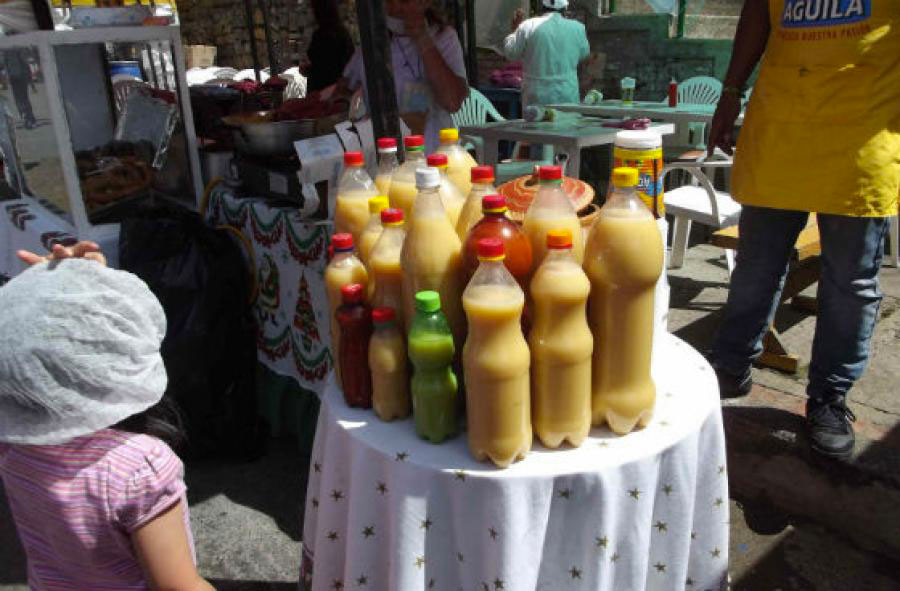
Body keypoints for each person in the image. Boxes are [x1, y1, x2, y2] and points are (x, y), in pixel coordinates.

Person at [706, 0, 899, 459]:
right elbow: (758, 10)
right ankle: (731, 366)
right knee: (757, 263)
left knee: (850, 281)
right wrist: (731, 90)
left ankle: (829, 398)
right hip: (781, 124)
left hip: (861, 128)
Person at [0, 250, 215, 591]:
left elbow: (34, 343)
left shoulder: (14, 444)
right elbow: (177, 586)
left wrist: (52, 293)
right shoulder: (139, 468)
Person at [338, 0, 468, 152]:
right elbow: (342, 90)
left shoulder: (445, 38)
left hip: (434, 155)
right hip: (387, 154)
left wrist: (422, 38)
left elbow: (452, 102)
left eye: (403, 1)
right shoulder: (372, 45)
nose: (395, 7)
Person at [502, 0, 590, 111]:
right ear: (565, 9)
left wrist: (514, 30)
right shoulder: (578, 28)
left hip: (536, 94)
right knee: (567, 125)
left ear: (542, 7)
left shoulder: (527, 26)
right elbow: (584, 55)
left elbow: (511, 54)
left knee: (535, 127)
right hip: (566, 92)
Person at [304, 0, 356, 93]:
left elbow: (325, 66)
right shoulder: (342, 33)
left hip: (325, 91)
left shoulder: (322, 35)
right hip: (333, 90)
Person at [4, 49, 36, 129]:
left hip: (18, 77)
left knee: (21, 99)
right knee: (22, 99)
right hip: (16, 77)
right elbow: (6, 65)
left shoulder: (12, 51)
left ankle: (27, 117)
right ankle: (27, 117)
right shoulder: (10, 51)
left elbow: (24, 64)